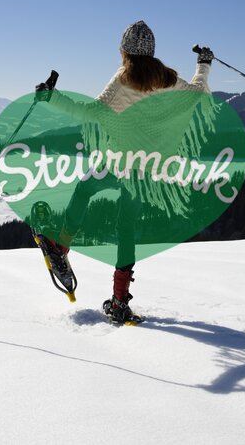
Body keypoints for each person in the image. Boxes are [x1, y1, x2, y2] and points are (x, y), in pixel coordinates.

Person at [34, 20, 214, 322]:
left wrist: (52, 96)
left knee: (84, 188)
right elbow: (198, 94)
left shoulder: (123, 80)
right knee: (126, 226)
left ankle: (61, 247)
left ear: (124, 50)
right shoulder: (167, 79)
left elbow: (90, 112)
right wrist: (203, 64)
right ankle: (119, 300)